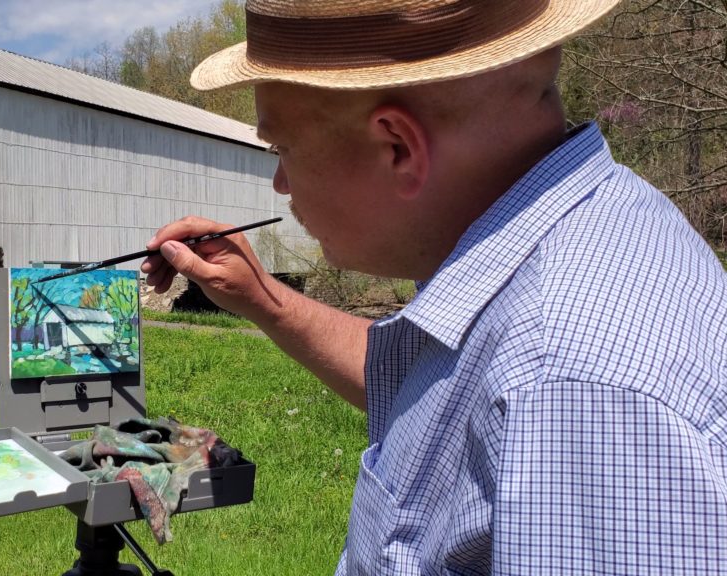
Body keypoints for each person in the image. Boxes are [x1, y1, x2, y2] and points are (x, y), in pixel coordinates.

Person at [141, 0, 727, 574]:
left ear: (397, 145)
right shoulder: (589, 236)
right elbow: (443, 394)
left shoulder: (575, 396)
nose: (280, 182)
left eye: (283, 148)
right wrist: (262, 299)